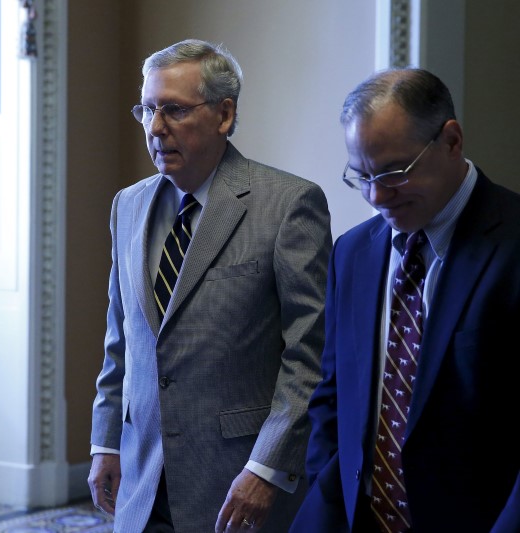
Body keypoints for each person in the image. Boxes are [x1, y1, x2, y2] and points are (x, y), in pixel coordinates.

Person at [87, 38, 332, 533]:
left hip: (238, 484)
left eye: (174, 110)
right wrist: (105, 441)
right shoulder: (128, 205)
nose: (155, 128)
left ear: (224, 115)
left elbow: (310, 354)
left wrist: (266, 467)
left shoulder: (289, 205)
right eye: (148, 110)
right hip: (142, 479)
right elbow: (121, 339)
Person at [289, 67, 520, 533]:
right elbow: (333, 397)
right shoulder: (352, 253)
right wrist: (330, 500)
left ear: (451, 141)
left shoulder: (512, 244)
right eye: (363, 176)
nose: (377, 196)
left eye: (394, 172)